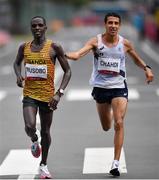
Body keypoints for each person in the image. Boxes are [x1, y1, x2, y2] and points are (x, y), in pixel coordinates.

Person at [66, 12, 154, 177]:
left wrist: (146, 68)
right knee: (106, 126)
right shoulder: (95, 42)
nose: (113, 26)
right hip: (100, 88)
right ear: (105, 25)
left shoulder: (125, 43)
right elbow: (78, 55)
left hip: (119, 87)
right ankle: (114, 111)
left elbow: (136, 58)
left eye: (116, 23)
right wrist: (62, 54)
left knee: (119, 123)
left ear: (119, 26)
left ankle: (115, 163)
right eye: (110, 23)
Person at [13, 16, 71, 179]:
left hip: (48, 97)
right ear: (31, 29)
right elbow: (17, 63)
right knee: (30, 126)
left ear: (45, 28)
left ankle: (43, 165)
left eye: (40, 25)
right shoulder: (24, 47)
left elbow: (68, 71)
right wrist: (19, 76)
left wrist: (59, 94)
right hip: (29, 94)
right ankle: (34, 138)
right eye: (34, 26)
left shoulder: (54, 47)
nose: (37, 28)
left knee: (46, 131)